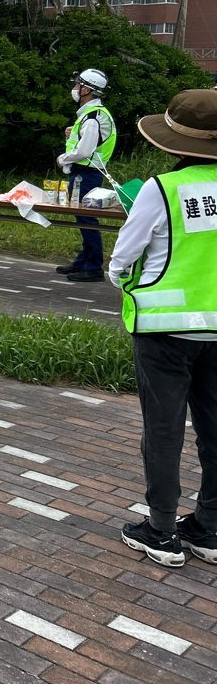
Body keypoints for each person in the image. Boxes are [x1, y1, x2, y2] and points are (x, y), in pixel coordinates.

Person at [111, 88, 217, 568]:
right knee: (215, 431)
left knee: (165, 429)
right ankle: (209, 528)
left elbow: (121, 260)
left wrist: (130, 279)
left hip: (165, 332)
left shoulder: (162, 190)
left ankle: (161, 530)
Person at [53, 68, 116, 282]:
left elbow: (84, 151)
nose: (75, 88)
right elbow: (87, 138)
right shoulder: (90, 116)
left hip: (86, 174)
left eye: (78, 85)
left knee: (87, 220)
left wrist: (63, 158)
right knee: (83, 219)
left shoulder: (92, 118)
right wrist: (75, 131)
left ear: (88, 90)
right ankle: (83, 261)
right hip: (85, 173)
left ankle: (94, 268)